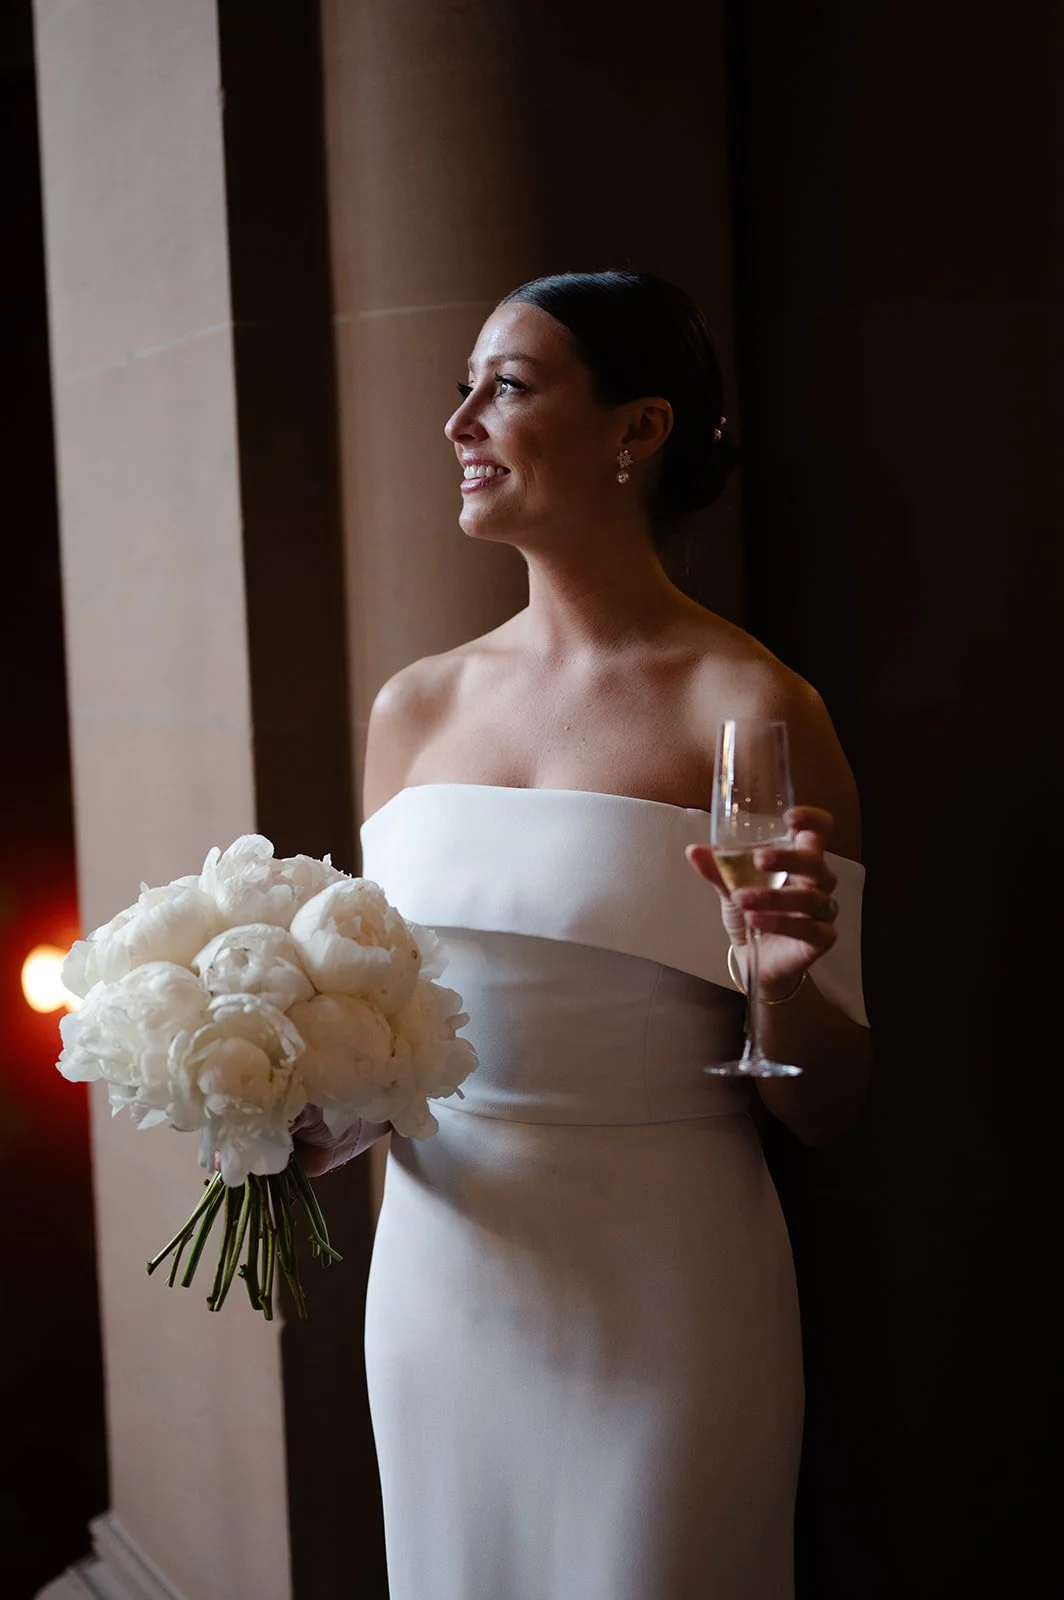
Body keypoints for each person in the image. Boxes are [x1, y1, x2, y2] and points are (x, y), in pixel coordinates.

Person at [294, 270, 873, 1599]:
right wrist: (296, 1109)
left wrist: (783, 991)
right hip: (444, 1282)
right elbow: (397, 1037)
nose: (459, 427)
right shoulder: (415, 708)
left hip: (670, 1286)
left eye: (505, 386)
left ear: (638, 429)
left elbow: (829, 1106)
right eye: (462, 391)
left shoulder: (750, 705)